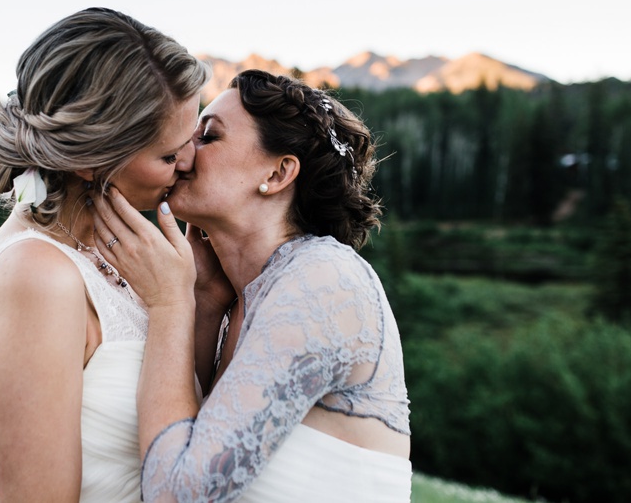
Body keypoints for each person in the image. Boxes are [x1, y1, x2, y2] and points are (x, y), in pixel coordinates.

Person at [91, 68, 412, 502]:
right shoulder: (237, 296)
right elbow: (176, 436)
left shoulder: (324, 280)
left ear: (278, 174)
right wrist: (201, 299)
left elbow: (174, 494)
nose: (181, 156)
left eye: (207, 137)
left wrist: (169, 305)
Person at [0, 7, 210, 502]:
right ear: (94, 162)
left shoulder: (123, 251)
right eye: (167, 155)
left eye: (195, 137)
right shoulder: (36, 277)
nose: (191, 162)